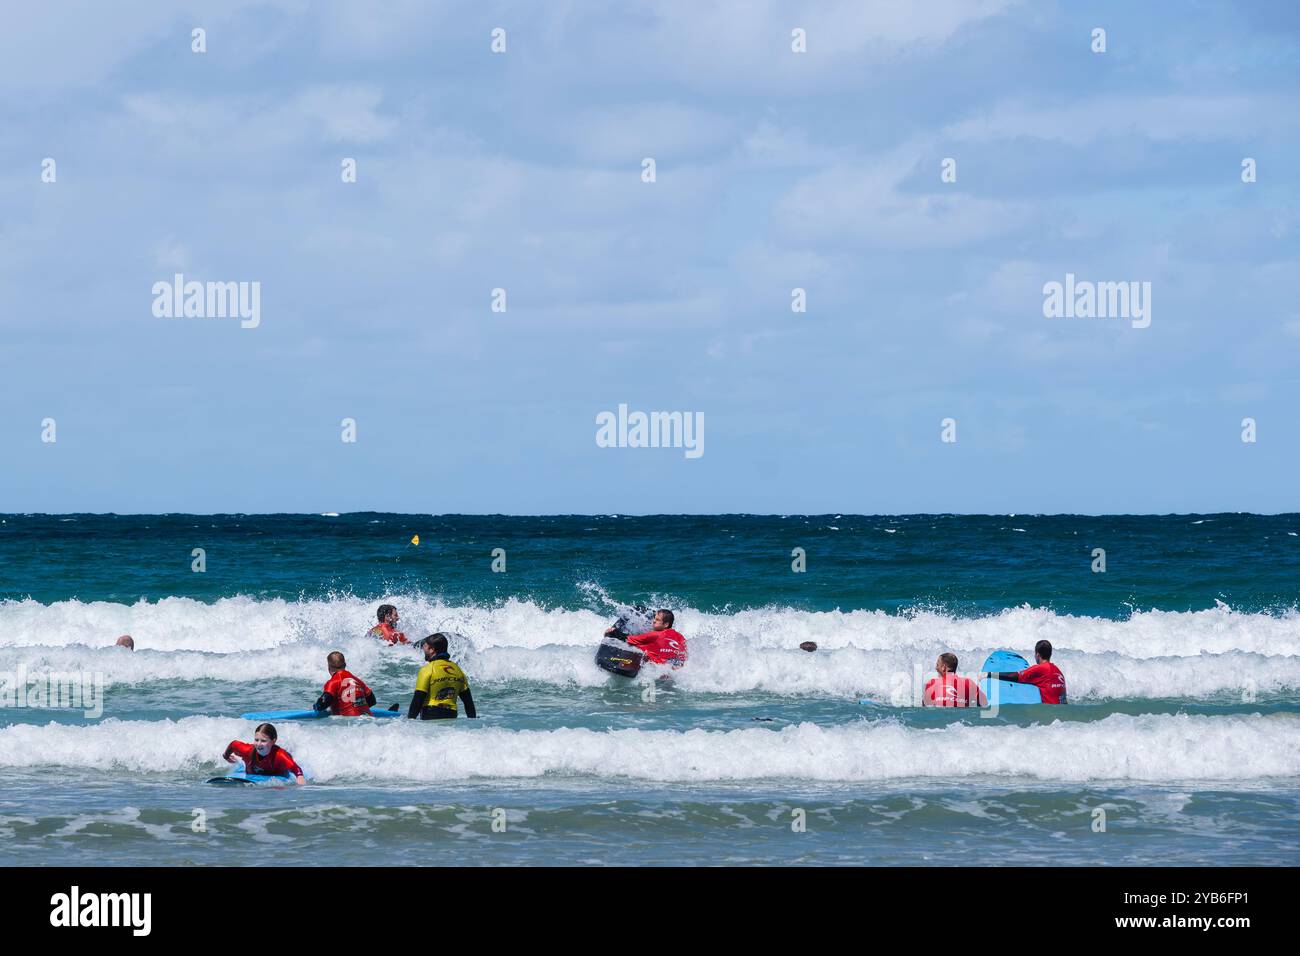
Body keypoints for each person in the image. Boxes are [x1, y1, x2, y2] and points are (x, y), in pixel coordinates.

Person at [407, 633, 477, 720]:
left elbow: (418, 699)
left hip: (430, 714)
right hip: (451, 715)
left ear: (432, 649)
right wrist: (473, 722)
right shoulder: (457, 670)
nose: (423, 648)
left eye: (425, 646)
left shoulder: (427, 669)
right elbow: (468, 702)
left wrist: (409, 721)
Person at [984, 639, 1068, 704]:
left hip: (1049, 715)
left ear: (1037, 655)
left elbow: (1015, 676)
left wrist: (989, 674)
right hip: (1061, 716)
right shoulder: (1058, 672)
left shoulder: (1040, 669)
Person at [223, 723, 306, 784]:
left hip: (279, 773)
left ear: (273, 741)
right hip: (253, 774)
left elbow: (297, 770)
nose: (258, 744)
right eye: (256, 740)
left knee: (288, 757)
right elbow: (233, 744)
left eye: (263, 741)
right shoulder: (247, 750)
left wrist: (300, 779)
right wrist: (226, 756)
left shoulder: (280, 756)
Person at [605, 609, 687, 667]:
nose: (654, 621)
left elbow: (628, 639)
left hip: (656, 669)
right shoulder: (681, 637)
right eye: (654, 618)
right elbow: (683, 655)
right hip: (673, 667)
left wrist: (613, 632)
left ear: (666, 624)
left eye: (657, 620)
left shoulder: (655, 635)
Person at [314, 651, 375, 716]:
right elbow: (372, 700)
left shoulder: (333, 682)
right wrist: (357, 708)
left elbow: (323, 703)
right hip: (368, 719)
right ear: (345, 665)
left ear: (329, 667)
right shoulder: (357, 680)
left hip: (348, 722)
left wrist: (315, 707)